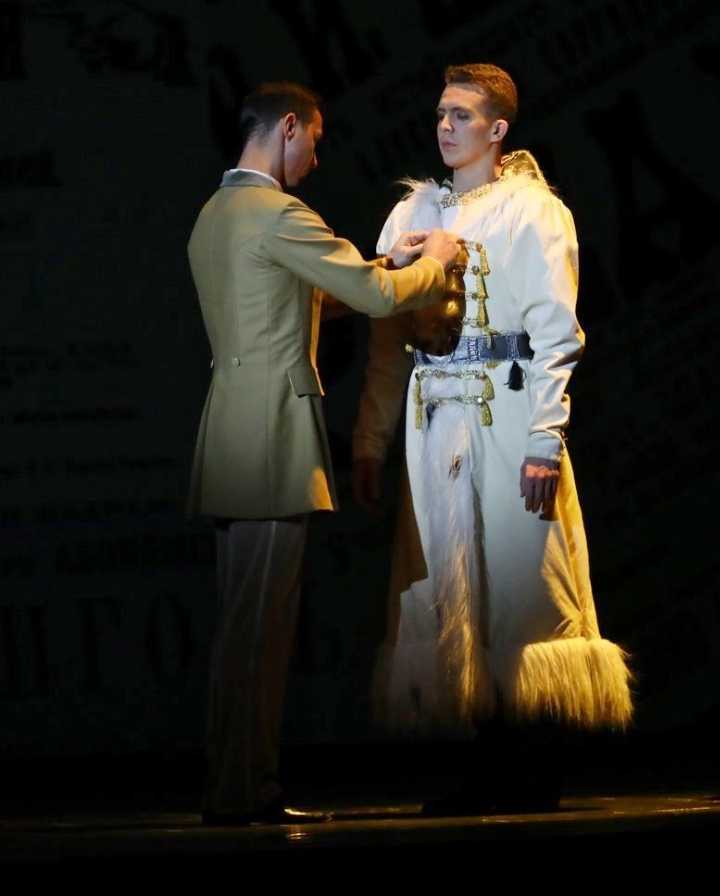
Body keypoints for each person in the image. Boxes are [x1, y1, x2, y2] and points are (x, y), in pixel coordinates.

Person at [351, 63, 633, 815]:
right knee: (451, 583)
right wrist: (371, 438)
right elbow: (385, 342)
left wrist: (545, 438)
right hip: (433, 419)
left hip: (504, 416)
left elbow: (555, 331)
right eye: (441, 114)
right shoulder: (411, 213)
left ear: (498, 128)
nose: (446, 127)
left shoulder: (532, 210)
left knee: (516, 581)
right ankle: (485, 758)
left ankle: (530, 763)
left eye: (463, 116)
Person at [186, 80, 461, 826]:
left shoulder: (218, 212)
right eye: (313, 139)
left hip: (232, 430)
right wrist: (437, 260)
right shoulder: (278, 212)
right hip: (271, 434)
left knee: (244, 625)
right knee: (261, 627)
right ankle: (244, 791)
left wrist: (386, 259)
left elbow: (306, 293)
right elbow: (375, 301)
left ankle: (237, 784)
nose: (314, 157)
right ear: (288, 126)